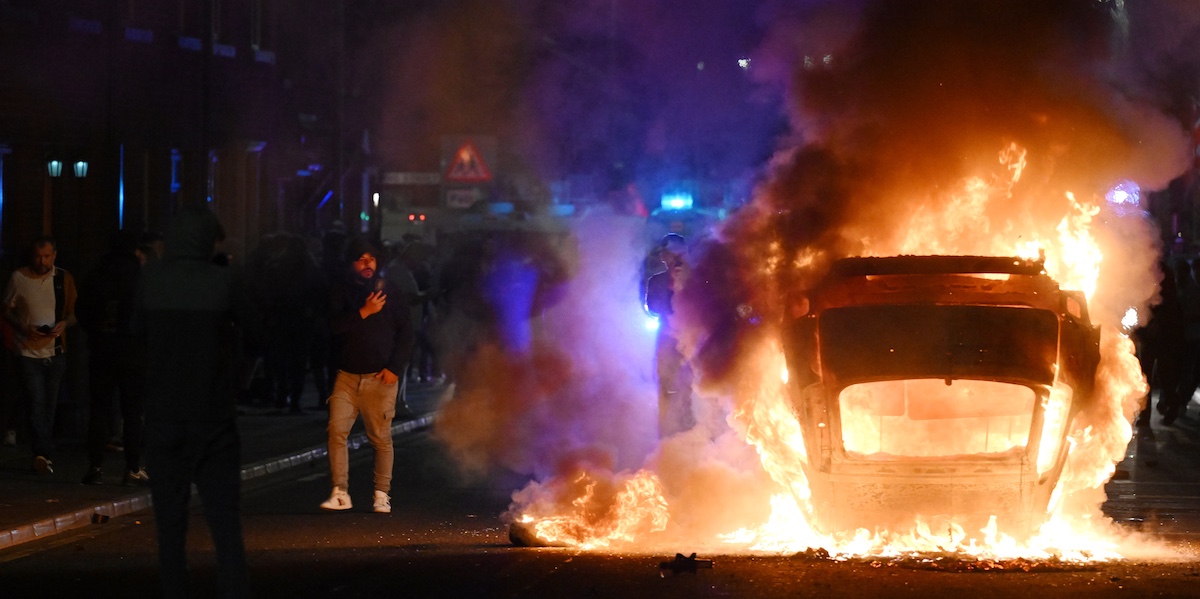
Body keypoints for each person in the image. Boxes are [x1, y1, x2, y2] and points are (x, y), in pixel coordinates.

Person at [136, 206, 262, 598]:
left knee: (169, 523)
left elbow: (134, 339)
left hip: (162, 413)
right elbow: (258, 336)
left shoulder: (149, 281)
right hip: (212, 413)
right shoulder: (223, 282)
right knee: (224, 521)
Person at [320, 237, 414, 514]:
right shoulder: (340, 292)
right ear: (351, 263)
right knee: (337, 431)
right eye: (361, 259)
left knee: (381, 438)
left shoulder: (391, 291)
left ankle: (381, 494)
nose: (367, 264)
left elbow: (406, 333)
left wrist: (395, 369)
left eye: (371, 259)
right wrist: (364, 311)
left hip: (380, 377)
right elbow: (332, 328)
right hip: (347, 376)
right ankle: (340, 492)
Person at [77, 229, 148, 486]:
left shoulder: (96, 275)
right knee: (132, 411)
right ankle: (132, 467)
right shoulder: (140, 276)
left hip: (102, 348)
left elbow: (81, 309)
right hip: (133, 351)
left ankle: (95, 466)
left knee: (99, 409)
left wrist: (96, 332)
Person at [2, 236, 77, 474]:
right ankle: (41, 452)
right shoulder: (19, 277)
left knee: (50, 403)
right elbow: (6, 310)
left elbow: (74, 312)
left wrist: (64, 324)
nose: (41, 261)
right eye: (37, 256)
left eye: (46, 256)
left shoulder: (63, 278)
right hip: (27, 349)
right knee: (36, 401)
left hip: (55, 350)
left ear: (54, 255)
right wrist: (24, 328)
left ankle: (44, 450)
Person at [644, 233, 695, 438]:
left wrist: (685, 283)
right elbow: (652, 308)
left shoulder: (698, 278)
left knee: (691, 386)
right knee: (666, 385)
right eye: (669, 255)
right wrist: (671, 288)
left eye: (677, 254)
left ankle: (691, 428)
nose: (673, 259)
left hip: (691, 340)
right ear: (664, 257)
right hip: (667, 340)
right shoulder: (657, 281)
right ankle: (665, 431)